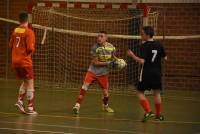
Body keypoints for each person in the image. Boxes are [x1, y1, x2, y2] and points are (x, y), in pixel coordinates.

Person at [127, 26, 167, 122]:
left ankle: (148, 111)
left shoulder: (144, 46)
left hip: (147, 72)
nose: (141, 35)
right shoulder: (159, 44)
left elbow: (142, 61)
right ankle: (158, 115)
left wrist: (132, 55)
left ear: (147, 35)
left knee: (140, 92)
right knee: (157, 93)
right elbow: (165, 58)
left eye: (142, 34)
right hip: (157, 72)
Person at [72, 31, 118, 114]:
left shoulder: (112, 47)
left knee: (106, 93)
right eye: (98, 36)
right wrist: (108, 63)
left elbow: (113, 57)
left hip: (103, 73)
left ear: (106, 38)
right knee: (84, 87)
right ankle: (77, 106)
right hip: (92, 71)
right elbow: (95, 63)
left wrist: (118, 61)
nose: (99, 38)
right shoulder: (95, 47)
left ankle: (105, 106)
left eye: (101, 36)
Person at [9, 12, 37, 115]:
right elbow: (30, 48)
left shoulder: (15, 30)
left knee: (25, 81)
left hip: (15, 61)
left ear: (19, 20)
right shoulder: (29, 32)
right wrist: (32, 50)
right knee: (30, 82)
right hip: (25, 61)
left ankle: (20, 101)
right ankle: (30, 108)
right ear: (28, 20)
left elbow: (10, 45)